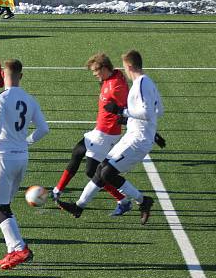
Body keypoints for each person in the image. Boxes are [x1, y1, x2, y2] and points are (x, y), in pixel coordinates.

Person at [57, 50, 163, 225]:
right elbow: (159, 110)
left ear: (129, 66)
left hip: (138, 140)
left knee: (106, 173)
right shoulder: (147, 82)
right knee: (100, 170)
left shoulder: (141, 84)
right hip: (133, 135)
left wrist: (122, 112)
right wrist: (152, 130)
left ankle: (143, 201)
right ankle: (79, 206)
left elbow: (148, 112)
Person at [0, 59, 49, 270]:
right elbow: (43, 129)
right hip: (22, 157)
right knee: (5, 205)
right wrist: (26, 141)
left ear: (2, 74)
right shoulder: (30, 99)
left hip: (4, 157)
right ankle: (13, 250)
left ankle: (20, 249)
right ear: (22, 75)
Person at [52, 53, 131, 216]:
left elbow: (126, 111)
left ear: (104, 68)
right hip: (98, 131)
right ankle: (57, 190)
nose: (94, 74)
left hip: (106, 134)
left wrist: (119, 115)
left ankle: (123, 200)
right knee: (77, 151)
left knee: (92, 172)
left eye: (96, 71)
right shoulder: (110, 78)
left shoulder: (117, 86)